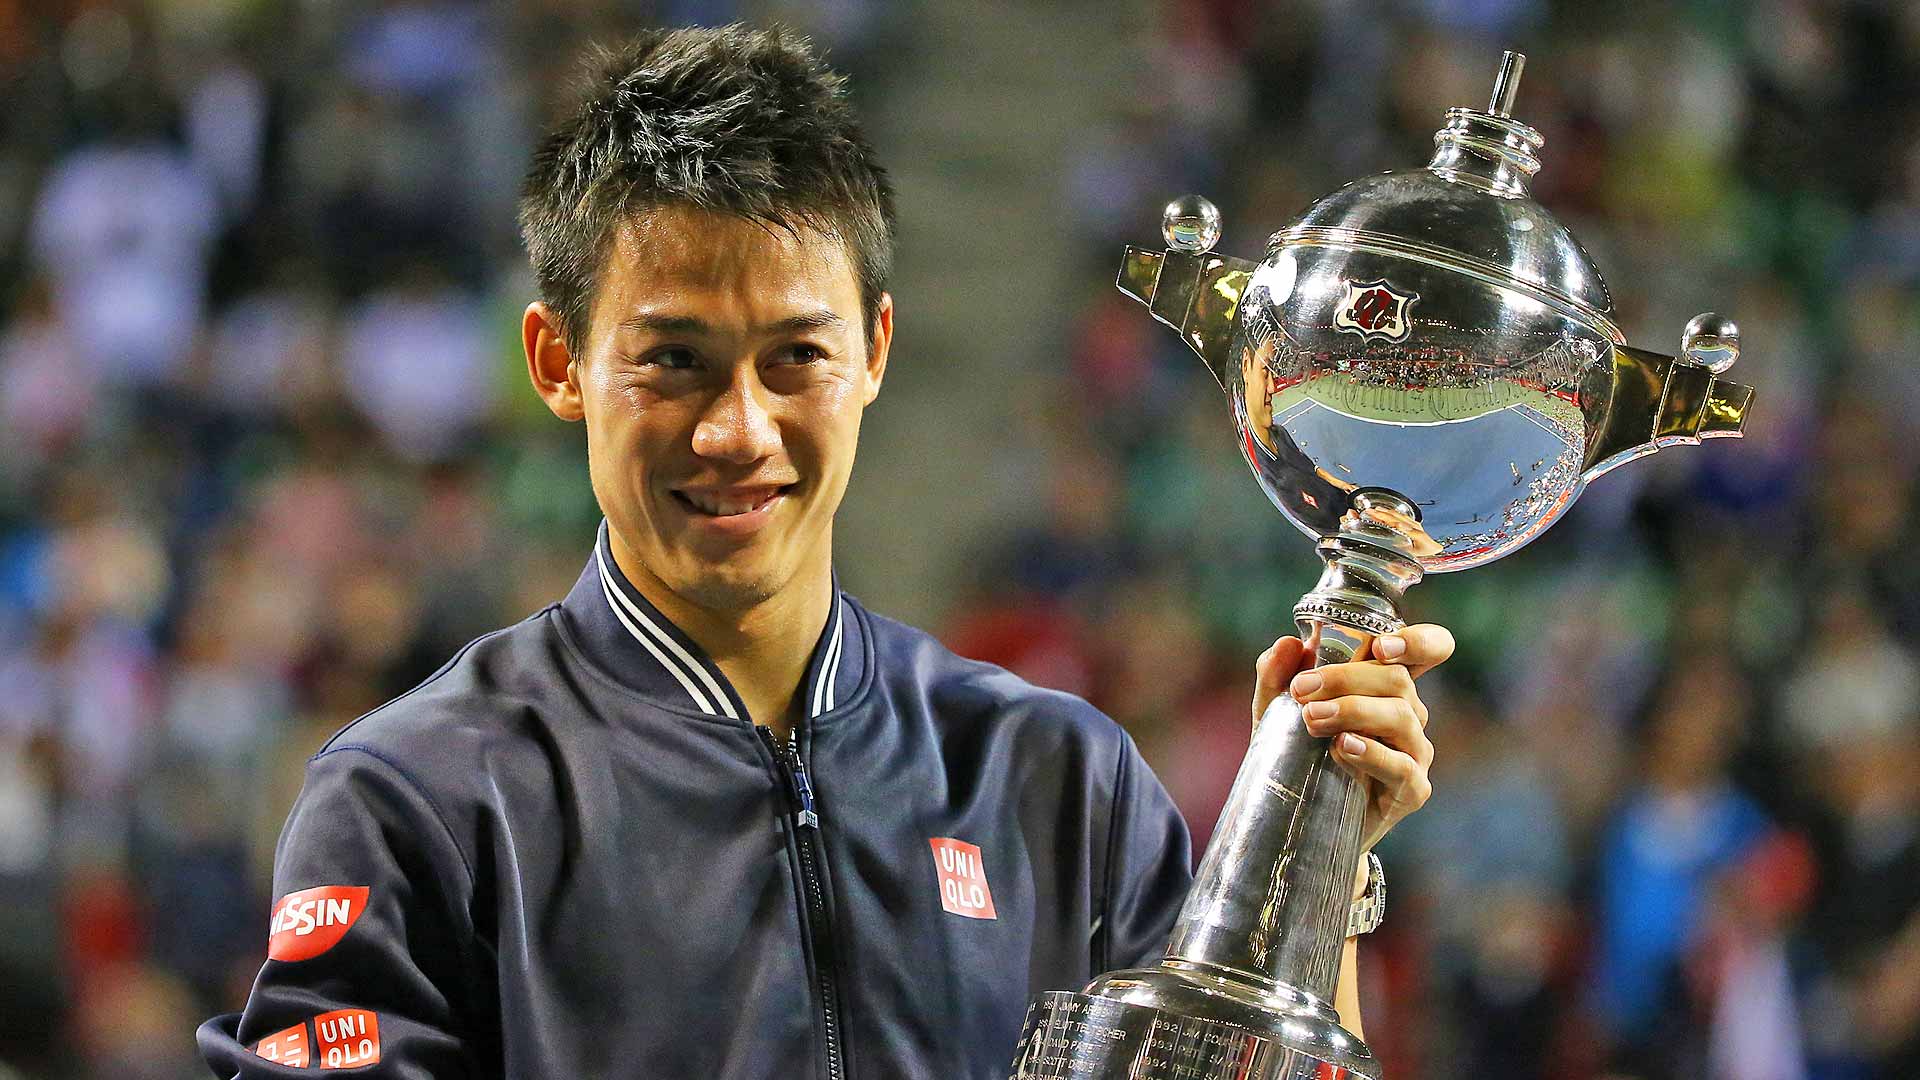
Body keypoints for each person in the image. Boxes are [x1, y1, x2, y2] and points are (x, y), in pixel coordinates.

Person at [196, 25, 1452, 1077]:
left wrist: (1323, 849)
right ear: (558, 364)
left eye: (796, 357)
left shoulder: (1060, 784)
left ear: (876, 352)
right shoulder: (421, 801)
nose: (739, 432)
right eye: (673, 359)